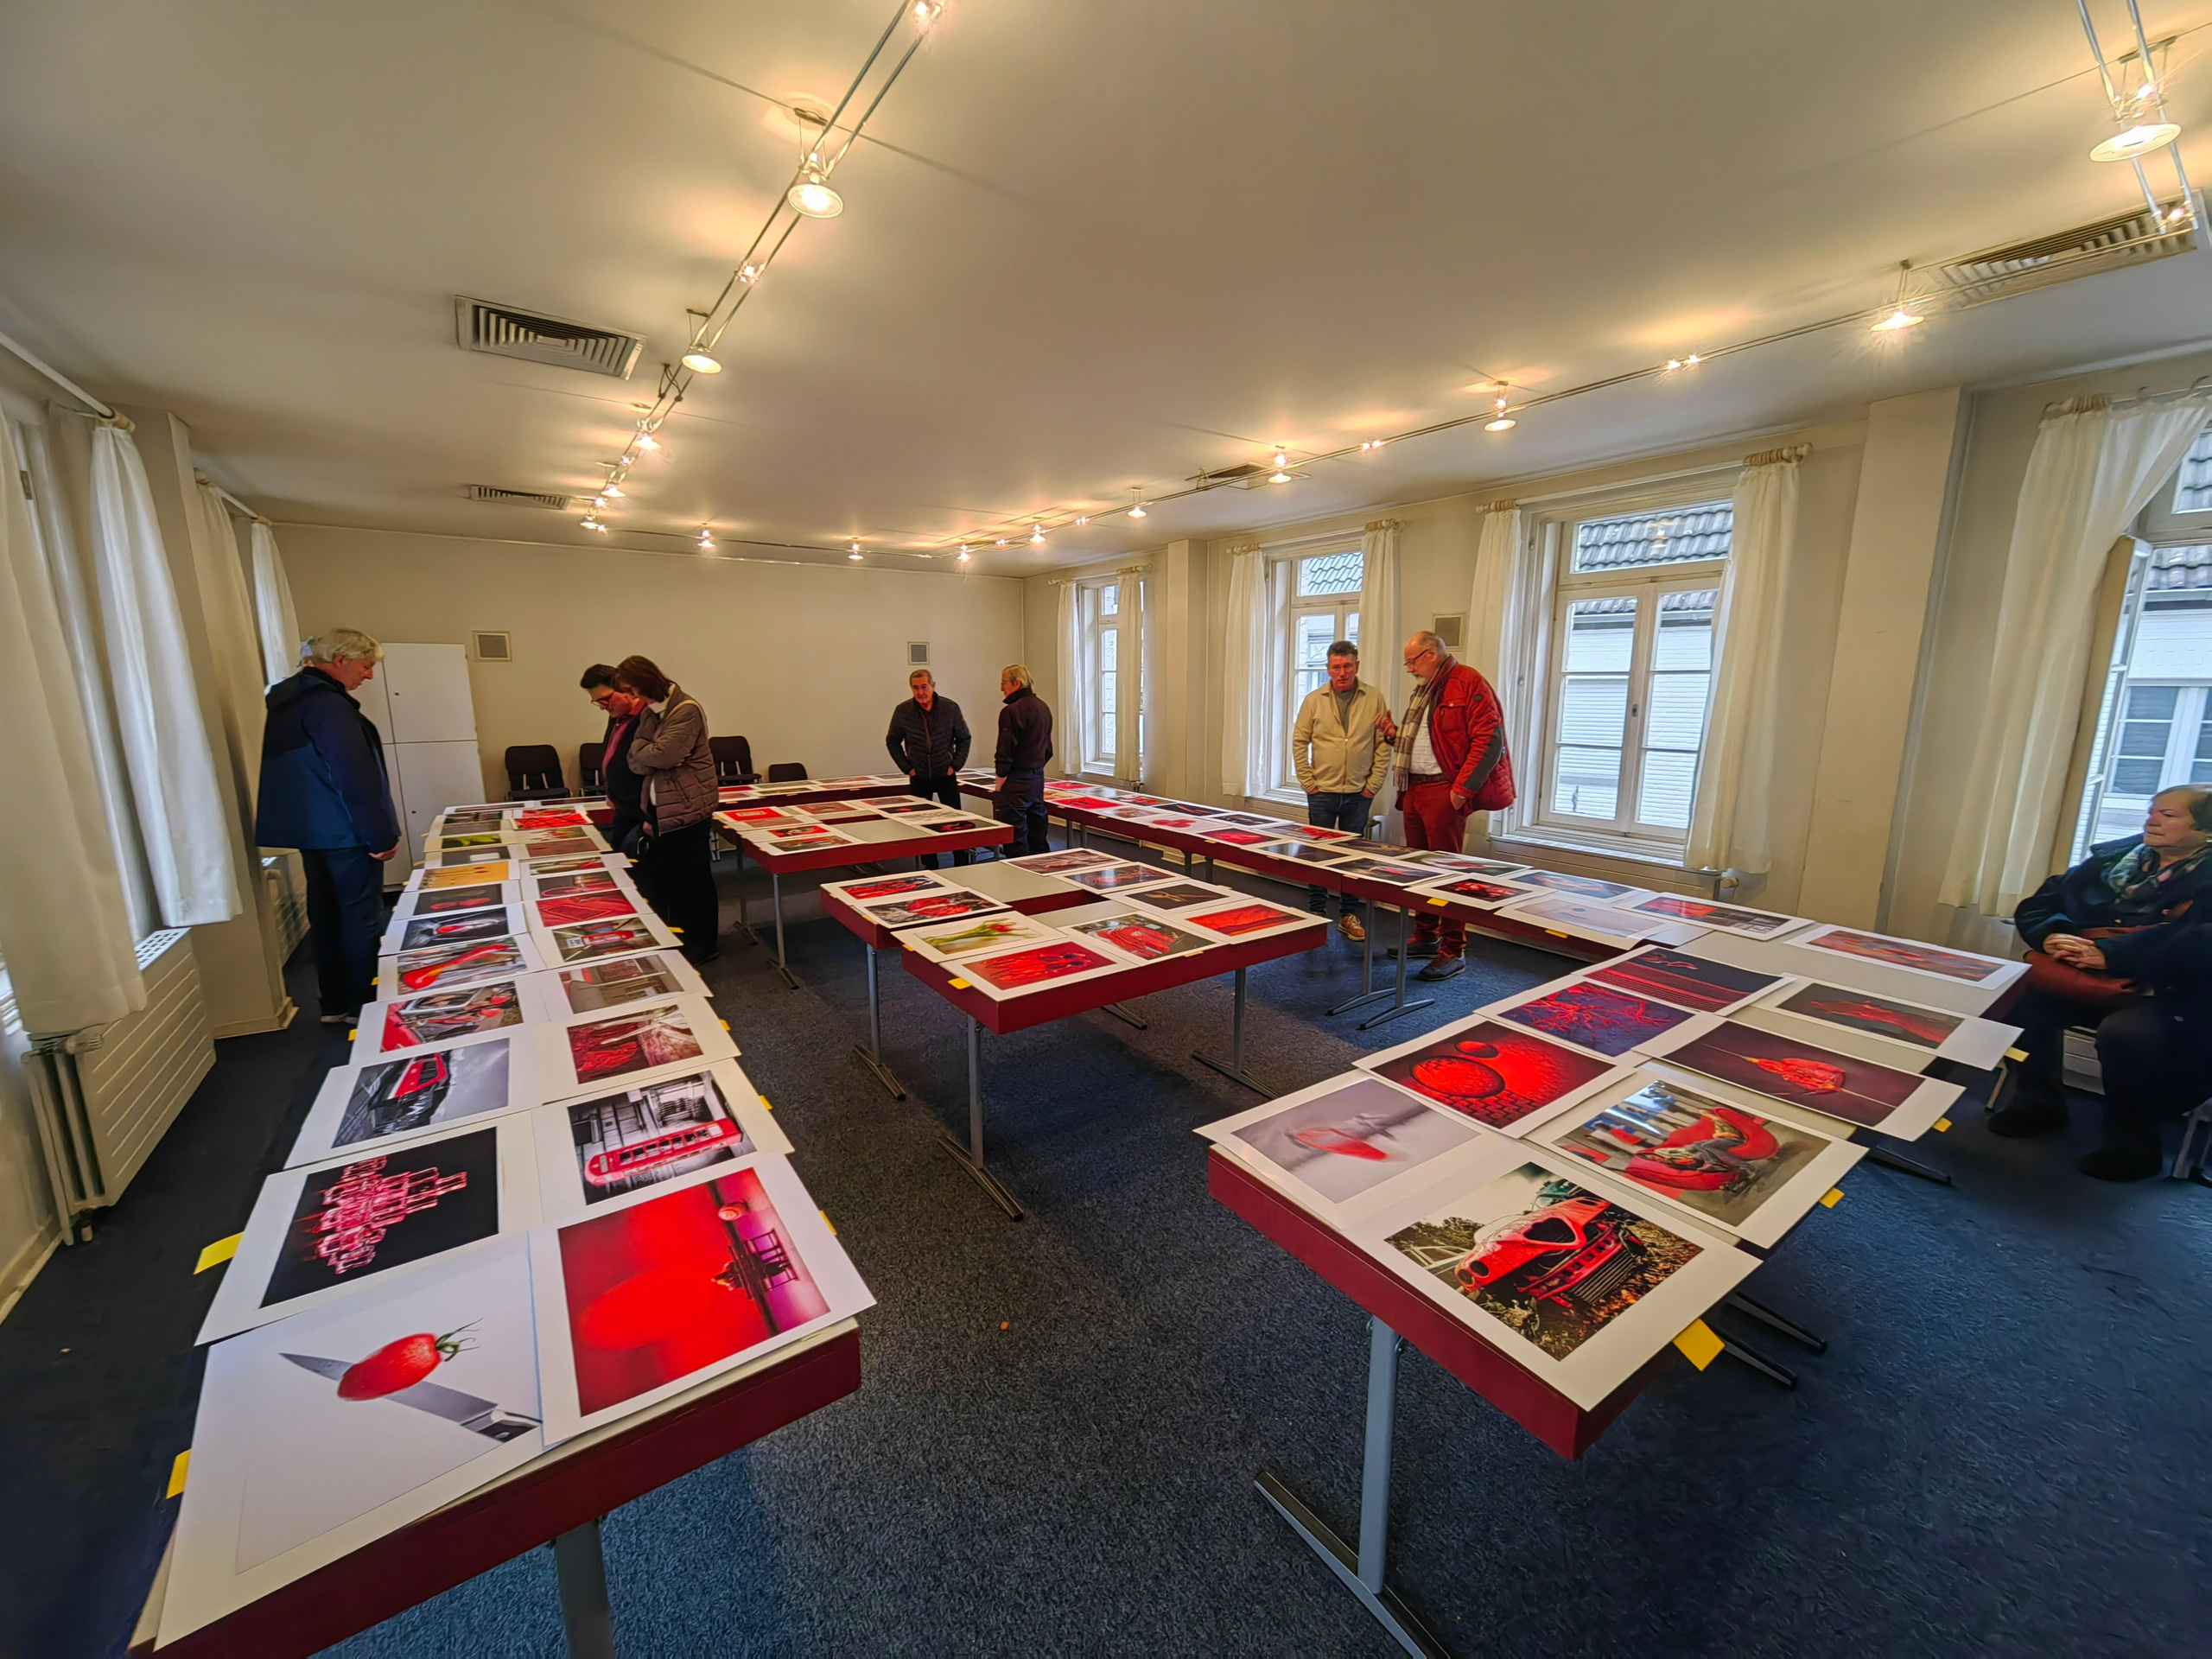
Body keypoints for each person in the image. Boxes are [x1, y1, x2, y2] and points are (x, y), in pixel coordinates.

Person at [1994, 785, 2212, 1180]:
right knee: (2014, 999)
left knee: (2127, 1035)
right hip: (2094, 976)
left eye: (2169, 815)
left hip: (2175, 990)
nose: (2152, 819)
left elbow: (2200, 942)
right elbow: (2041, 903)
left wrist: (2113, 954)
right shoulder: (2116, 859)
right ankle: (2037, 1104)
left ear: (2206, 828)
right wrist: (2051, 934)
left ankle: (2134, 1145)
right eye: (2152, 810)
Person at [255, 628, 401, 1024]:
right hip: (347, 832)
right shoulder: (329, 707)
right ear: (341, 661)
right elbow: (354, 776)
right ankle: (365, 1007)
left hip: (312, 831)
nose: (368, 675)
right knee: (360, 917)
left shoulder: (287, 701)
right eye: (366, 666)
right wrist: (380, 834)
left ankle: (335, 1003)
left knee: (326, 915)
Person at [1385, 629, 1516, 980]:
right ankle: (1426, 935)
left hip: (1444, 791)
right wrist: (1393, 734)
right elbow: (1429, 737)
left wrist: (1461, 791)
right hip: (1414, 788)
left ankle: (1453, 948)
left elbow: (1490, 740)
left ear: (1430, 654)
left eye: (1412, 661)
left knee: (1449, 873)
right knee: (1420, 870)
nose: (1409, 668)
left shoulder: (1468, 682)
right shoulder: (1427, 687)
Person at [613, 655, 721, 965]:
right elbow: (635, 759)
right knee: (673, 879)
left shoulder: (685, 710)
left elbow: (664, 755)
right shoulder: (651, 712)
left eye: (632, 689)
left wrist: (651, 754)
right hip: (661, 811)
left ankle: (706, 943)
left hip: (687, 809)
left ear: (645, 681)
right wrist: (650, 754)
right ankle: (684, 936)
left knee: (695, 879)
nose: (632, 698)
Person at [1290, 639, 1391, 942]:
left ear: (1357, 666)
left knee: (1352, 858)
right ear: (1329, 669)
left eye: (1347, 666)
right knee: (1317, 855)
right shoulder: (1314, 700)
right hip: (1322, 792)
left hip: (1359, 794)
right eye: (1336, 667)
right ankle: (1317, 913)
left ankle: (1348, 914)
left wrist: (1373, 785)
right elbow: (1299, 742)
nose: (1342, 672)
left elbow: (1383, 744)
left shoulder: (1374, 698)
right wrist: (1309, 782)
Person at [886, 668, 974, 869]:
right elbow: (892, 741)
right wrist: (908, 768)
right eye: (915, 688)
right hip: (919, 776)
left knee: (956, 822)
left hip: (945, 774)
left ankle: (962, 863)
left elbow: (964, 738)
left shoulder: (950, 709)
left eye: (924, 687)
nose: (920, 692)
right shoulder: (903, 711)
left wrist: (955, 765)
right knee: (922, 824)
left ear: (933, 686)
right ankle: (930, 866)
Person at [581, 664, 651, 852]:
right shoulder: (618, 716)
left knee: (635, 868)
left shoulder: (647, 718)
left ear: (627, 689)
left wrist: (651, 817)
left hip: (641, 812)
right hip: (623, 808)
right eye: (598, 702)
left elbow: (656, 771)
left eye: (605, 699)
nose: (603, 707)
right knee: (619, 859)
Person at [990, 664, 1054, 857]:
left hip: (1016, 781)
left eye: (1004, 683)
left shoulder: (1011, 711)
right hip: (1037, 779)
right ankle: (1043, 877)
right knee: (1037, 834)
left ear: (1016, 683)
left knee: (1015, 837)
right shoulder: (1043, 708)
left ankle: (1020, 881)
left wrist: (1001, 778)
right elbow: (1048, 750)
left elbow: (1005, 749)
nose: (1002, 688)